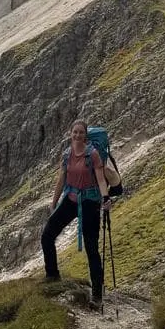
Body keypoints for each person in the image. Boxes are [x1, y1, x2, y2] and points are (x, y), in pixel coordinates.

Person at [41, 118, 111, 304]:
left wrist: (105, 198)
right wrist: (54, 202)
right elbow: (61, 179)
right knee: (47, 235)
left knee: (91, 248)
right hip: (71, 199)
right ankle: (52, 275)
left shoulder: (93, 154)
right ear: (70, 134)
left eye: (81, 132)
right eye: (75, 132)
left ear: (85, 135)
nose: (78, 135)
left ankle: (97, 294)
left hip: (90, 202)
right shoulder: (67, 154)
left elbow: (101, 179)